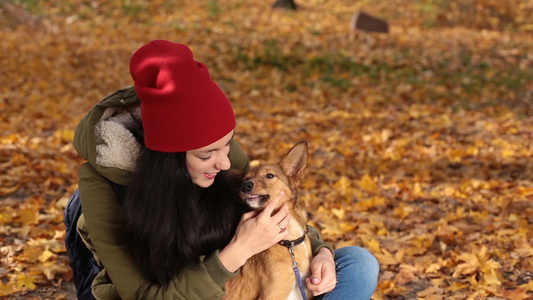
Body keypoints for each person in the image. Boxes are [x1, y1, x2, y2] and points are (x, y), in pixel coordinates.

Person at [65, 39, 379, 300]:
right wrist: (238, 251)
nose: (226, 163)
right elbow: (146, 295)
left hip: (239, 285)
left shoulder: (217, 152)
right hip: (170, 294)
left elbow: (271, 211)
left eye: (227, 145)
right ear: (169, 160)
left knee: (357, 263)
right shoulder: (103, 185)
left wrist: (320, 252)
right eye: (207, 154)